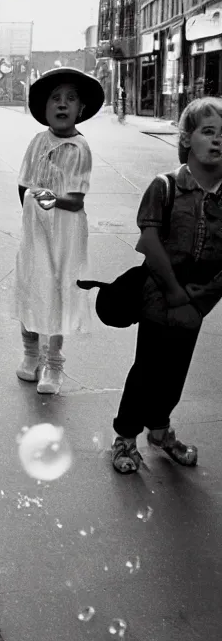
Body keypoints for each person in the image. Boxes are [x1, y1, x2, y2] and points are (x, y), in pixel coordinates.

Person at [112, 96, 222, 473]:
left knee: (176, 372)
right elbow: (149, 242)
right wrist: (176, 293)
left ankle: (159, 430)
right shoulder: (165, 187)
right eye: (209, 132)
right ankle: (126, 437)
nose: (218, 140)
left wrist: (202, 300)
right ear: (188, 138)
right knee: (147, 369)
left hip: (196, 305)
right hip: (159, 297)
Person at [12, 67, 104, 394]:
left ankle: (54, 365)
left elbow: (74, 201)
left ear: (81, 109)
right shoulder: (37, 142)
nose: (62, 104)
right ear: (45, 107)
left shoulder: (80, 148)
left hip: (66, 233)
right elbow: (22, 184)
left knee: (58, 294)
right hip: (36, 229)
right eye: (56, 98)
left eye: (70, 99)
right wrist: (31, 209)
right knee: (31, 287)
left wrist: (38, 195)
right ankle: (30, 353)